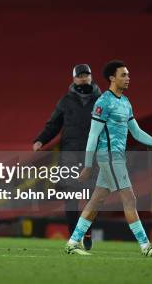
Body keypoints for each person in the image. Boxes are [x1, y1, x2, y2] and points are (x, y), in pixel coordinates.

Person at [66, 60, 152, 257]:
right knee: (129, 198)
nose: (128, 78)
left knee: (96, 201)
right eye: (123, 75)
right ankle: (145, 246)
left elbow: (137, 132)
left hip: (117, 157)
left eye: (128, 75)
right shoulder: (103, 102)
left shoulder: (125, 103)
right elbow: (93, 135)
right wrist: (88, 165)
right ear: (112, 78)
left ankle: (72, 242)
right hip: (108, 157)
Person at [33, 64, 101, 250]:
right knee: (71, 197)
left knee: (91, 198)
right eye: (80, 75)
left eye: (86, 75)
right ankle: (74, 237)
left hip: (92, 154)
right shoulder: (65, 101)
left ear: (91, 77)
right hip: (69, 154)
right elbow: (53, 124)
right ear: (74, 79)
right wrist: (40, 140)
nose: (84, 78)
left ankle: (86, 232)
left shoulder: (102, 100)